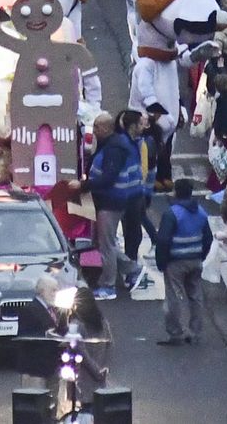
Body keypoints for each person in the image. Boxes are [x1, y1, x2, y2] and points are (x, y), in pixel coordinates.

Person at [79, 112, 143, 301]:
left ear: (106, 128)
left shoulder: (113, 149)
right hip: (108, 201)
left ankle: (108, 286)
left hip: (110, 202)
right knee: (104, 243)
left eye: (97, 127)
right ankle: (132, 269)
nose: (94, 131)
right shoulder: (111, 144)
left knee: (106, 245)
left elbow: (108, 178)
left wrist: (84, 185)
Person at [154, 178, 211, 346]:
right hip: (195, 259)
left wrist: (161, 262)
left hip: (176, 261)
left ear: (176, 193)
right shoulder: (201, 212)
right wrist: (202, 255)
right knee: (195, 296)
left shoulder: (172, 213)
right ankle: (195, 332)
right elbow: (208, 237)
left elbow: (163, 240)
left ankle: (175, 333)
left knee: (174, 297)